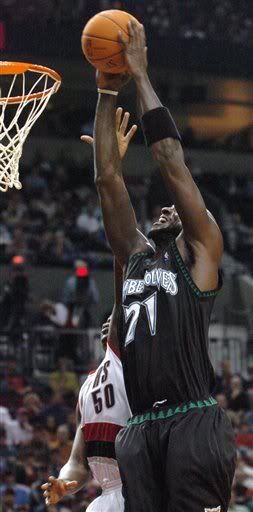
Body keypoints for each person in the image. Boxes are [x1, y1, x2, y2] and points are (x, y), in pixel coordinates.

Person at [93, 21, 236, 512]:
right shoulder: (133, 259)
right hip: (138, 434)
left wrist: (139, 75)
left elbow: (171, 162)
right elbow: (109, 182)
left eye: (180, 210)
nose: (169, 209)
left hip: (191, 421)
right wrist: (107, 91)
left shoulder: (199, 253)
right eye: (165, 209)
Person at [41, 108, 136, 512]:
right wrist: (64, 484)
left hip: (140, 488)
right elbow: (78, 463)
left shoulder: (128, 358)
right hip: (104, 498)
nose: (107, 323)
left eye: (115, 319)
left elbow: (121, 257)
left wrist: (110, 176)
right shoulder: (88, 386)